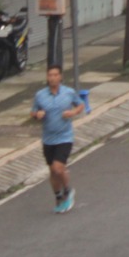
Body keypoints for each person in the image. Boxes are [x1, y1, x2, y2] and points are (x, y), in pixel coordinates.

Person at [32, 64, 85, 213]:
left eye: (55, 75)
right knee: (52, 171)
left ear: (60, 77)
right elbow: (33, 111)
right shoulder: (40, 95)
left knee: (58, 168)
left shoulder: (68, 92)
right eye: (50, 75)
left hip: (65, 137)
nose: (53, 78)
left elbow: (81, 105)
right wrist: (37, 115)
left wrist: (73, 112)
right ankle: (58, 195)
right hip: (48, 139)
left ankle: (68, 190)